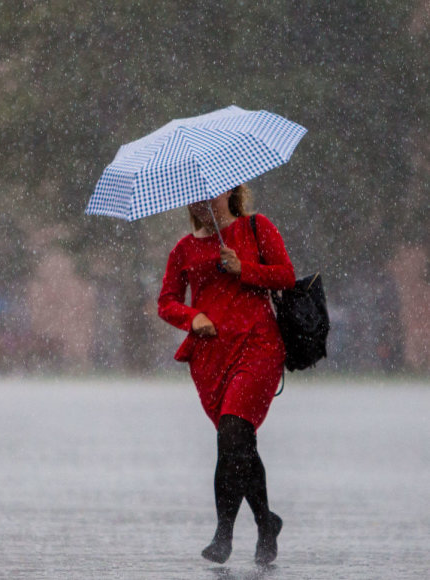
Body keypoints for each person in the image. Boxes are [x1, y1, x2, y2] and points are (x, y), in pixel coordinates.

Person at [157, 184, 295, 565]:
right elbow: (166, 302)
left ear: (231, 191)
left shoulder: (256, 227)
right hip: (211, 359)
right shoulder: (182, 250)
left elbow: (285, 275)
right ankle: (267, 523)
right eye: (193, 196)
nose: (201, 201)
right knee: (240, 442)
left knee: (233, 432)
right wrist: (192, 317)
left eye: (209, 194)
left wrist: (243, 268)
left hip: (259, 347)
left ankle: (224, 534)